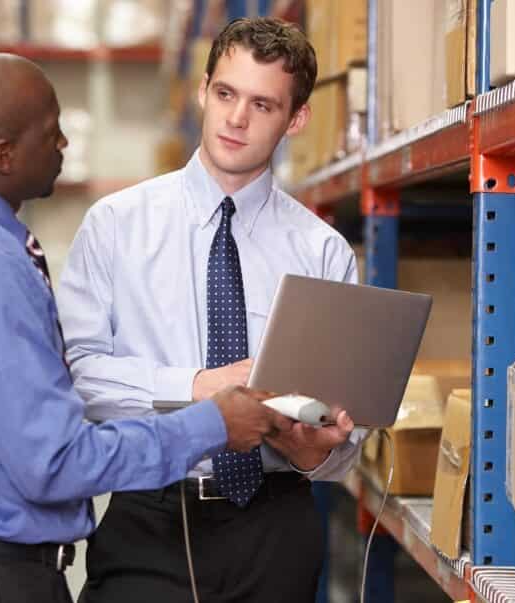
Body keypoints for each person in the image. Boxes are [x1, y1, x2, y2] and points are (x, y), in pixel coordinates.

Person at [0, 53, 291, 603]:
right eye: (51, 132)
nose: (64, 143)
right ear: (4, 155)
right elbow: (54, 461)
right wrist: (210, 424)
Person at [58, 17, 364, 603]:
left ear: (296, 119)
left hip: (275, 528)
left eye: (263, 104)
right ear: (202, 91)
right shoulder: (117, 226)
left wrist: (313, 453)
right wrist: (199, 387)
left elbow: (340, 437)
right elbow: (77, 378)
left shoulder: (321, 250)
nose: (236, 118)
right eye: (225, 94)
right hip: (149, 515)